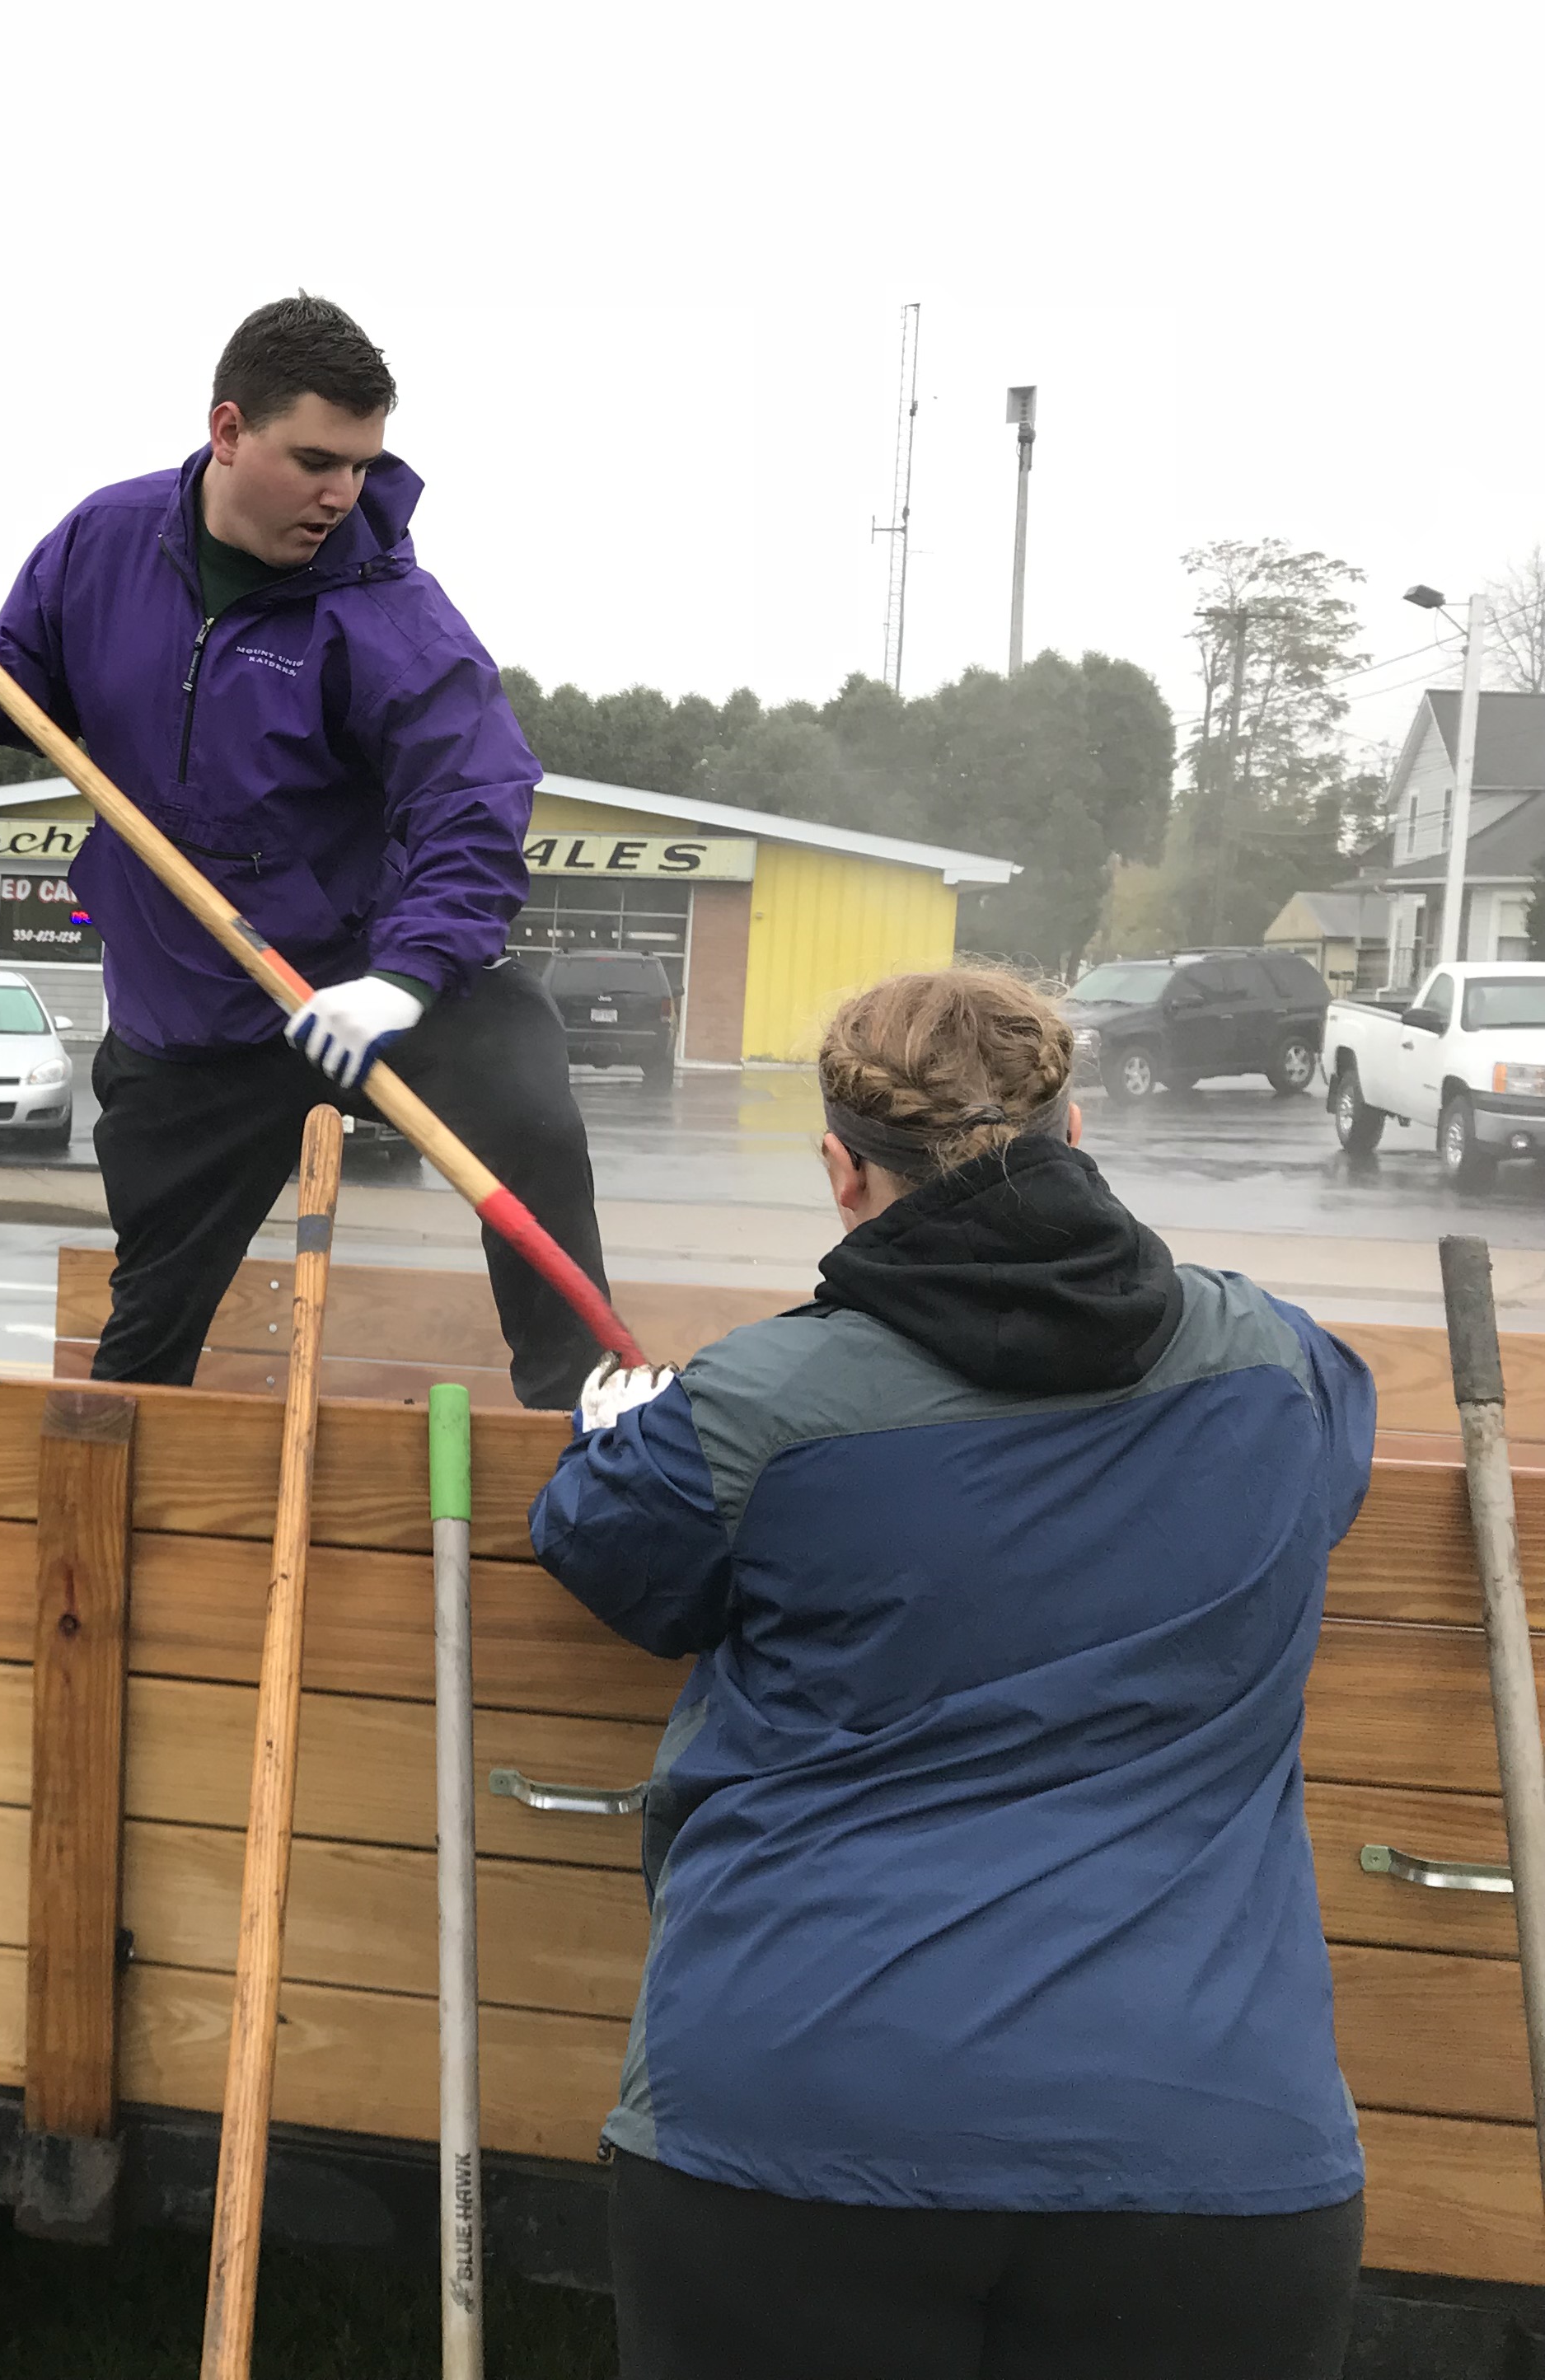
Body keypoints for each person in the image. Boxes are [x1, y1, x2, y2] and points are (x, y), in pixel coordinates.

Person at [534, 968, 1373, 2380]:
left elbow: (606, 1545)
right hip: (1203, 2129)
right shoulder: (1276, 1360)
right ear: (1076, 1124)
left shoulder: (750, 1406)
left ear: (839, 1167)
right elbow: (1316, 1475)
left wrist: (627, 1425)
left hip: (800, 2121)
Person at [0, 293, 609, 1407]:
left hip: (360, 968)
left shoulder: (389, 615)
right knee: (150, 1315)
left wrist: (406, 979)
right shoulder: (103, 540)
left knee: (524, 1094)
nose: (343, 494)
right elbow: (32, 697)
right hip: (191, 1001)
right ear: (229, 430)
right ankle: (111, 1522)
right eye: (316, 459)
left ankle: (586, 1407)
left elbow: (473, 798)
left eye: (365, 465)